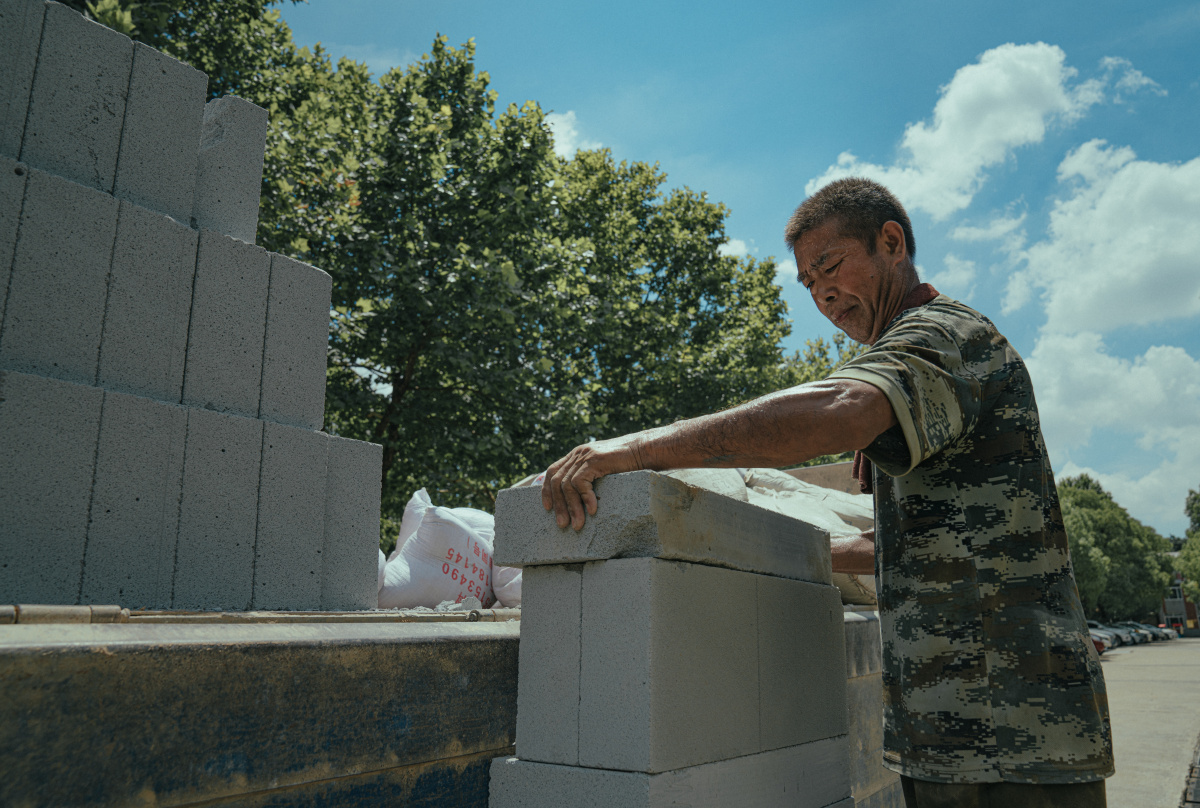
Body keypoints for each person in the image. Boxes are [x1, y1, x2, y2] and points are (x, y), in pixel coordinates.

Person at [540, 177, 1113, 808]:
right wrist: (775, 548)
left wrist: (632, 451)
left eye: (831, 267)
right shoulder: (921, 366)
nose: (823, 295)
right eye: (808, 284)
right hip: (953, 733)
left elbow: (839, 408)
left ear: (890, 242)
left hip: (1015, 727)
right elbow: (932, 542)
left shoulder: (942, 335)